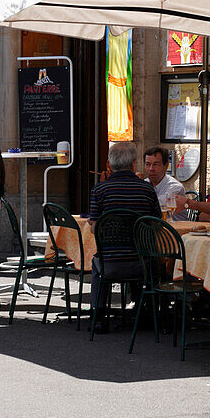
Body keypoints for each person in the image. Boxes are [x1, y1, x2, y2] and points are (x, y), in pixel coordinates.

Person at [87, 141, 160, 331]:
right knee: (145, 253)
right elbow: (155, 224)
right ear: (134, 164)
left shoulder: (99, 190)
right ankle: (144, 309)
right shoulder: (147, 190)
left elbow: (95, 228)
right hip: (142, 265)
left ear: (110, 165)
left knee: (97, 263)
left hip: (110, 265)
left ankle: (99, 316)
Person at [143, 146, 185, 217]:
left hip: (174, 227)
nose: (151, 169)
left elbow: (156, 209)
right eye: (148, 164)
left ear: (166, 166)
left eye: (156, 164)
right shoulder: (144, 183)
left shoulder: (175, 187)